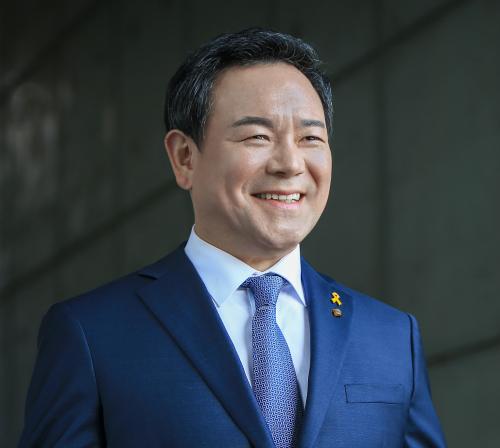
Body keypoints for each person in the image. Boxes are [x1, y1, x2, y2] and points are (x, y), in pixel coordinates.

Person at [19, 28, 446, 448]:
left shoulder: (392, 337)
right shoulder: (93, 333)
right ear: (184, 158)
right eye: (258, 136)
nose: (290, 163)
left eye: (310, 138)